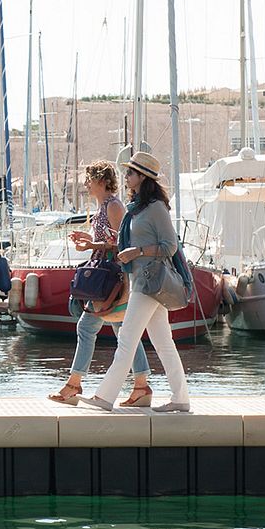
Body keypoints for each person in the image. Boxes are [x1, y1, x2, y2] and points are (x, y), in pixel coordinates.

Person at [77, 152, 190, 413]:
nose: (125, 176)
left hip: (149, 283)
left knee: (127, 339)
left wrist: (138, 252)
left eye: (130, 173)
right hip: (142, 280)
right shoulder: (137, 208)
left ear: (142, 178)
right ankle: (181, 399)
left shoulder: (156, 208)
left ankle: (104, 397)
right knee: (164, 343)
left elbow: (170, 246)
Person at [48, 161, 152, 406]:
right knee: (124, 332)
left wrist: (92, 245)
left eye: (89, 179)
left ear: (102, 181)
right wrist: (88, 239)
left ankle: (74, 385)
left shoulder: (114, 206)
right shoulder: (104, 207)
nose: (86, 184)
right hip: (104, 278)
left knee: (88, 328)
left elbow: (122, 242)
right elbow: (106, 238)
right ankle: (141, 386)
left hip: (110, 279)